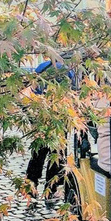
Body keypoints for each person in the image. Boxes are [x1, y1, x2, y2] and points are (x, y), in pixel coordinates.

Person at [25, 59, 72, 199]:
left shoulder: (41, 67)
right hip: (59, 116)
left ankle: (30, 186)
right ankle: (51, 189)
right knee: (56, 155)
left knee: (37, 153)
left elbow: (32, 90)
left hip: (40, 115)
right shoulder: (66, 70)